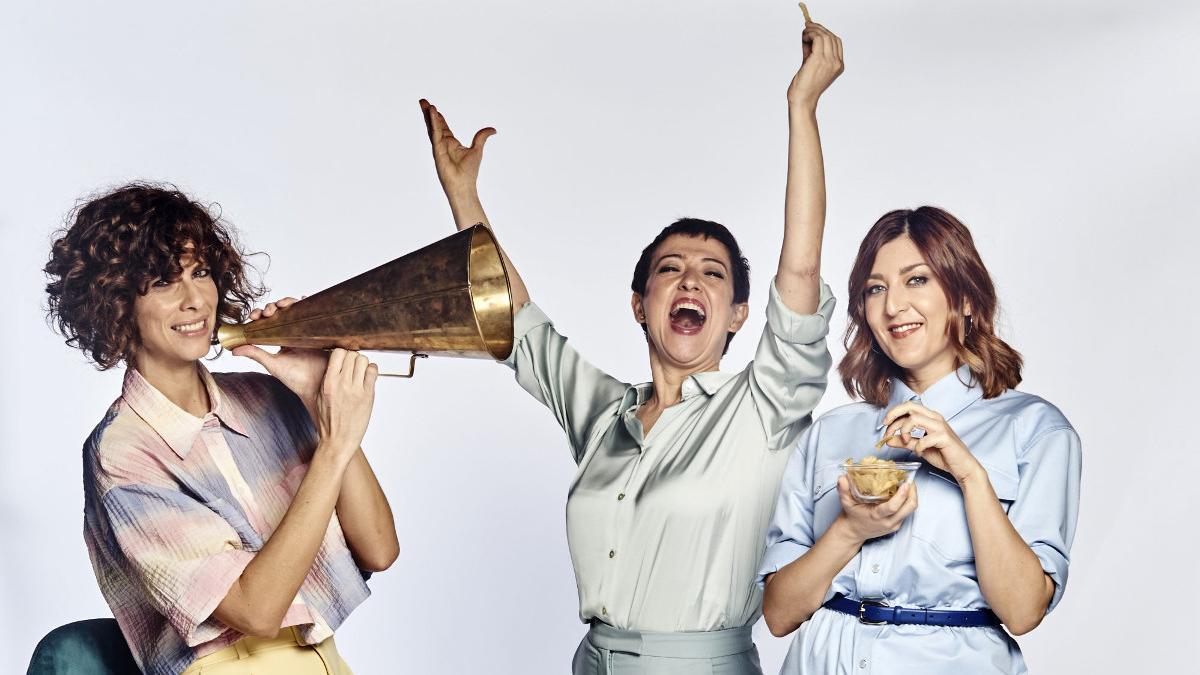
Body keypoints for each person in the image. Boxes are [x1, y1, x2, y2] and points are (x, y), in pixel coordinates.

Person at [418, 17, 844, 674]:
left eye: (712, 272)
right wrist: (463, 196)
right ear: (640, 304)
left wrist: (802, 107)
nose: (689, 278)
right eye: (670, 268)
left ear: (736, 316)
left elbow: (802, 275)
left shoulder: (765, 409)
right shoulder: (605, 415)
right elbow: (520, 324)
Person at [44, 183, 397, 675]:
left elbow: (379, 548)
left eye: (201, 272)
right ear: (117, 302)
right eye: (165, 282)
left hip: (325, 662)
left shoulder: (264, 397)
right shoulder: (122, 453)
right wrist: (334, 447)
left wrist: (317, 403)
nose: (194, 300)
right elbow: (256, 611)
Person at [759, 206, 1082, 673]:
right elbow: (778, 614)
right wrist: (851, 530)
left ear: (967, 298)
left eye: (917, 280)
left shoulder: (1036, 430)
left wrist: (969, 475)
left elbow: (1022, 610)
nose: (893, 306)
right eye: (876, 288)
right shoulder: (830, 433)